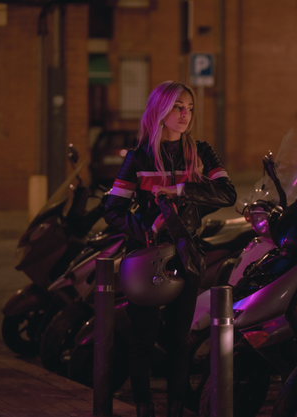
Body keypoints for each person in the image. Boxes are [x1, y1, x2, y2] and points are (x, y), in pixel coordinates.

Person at [104, 81, 237, 417]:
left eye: (189, 108)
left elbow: (227, 194)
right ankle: (144, 409)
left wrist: (181, 190)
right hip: (147, 258)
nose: (185, 114)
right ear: (159, 111)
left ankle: (176, 408)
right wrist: (147, 231)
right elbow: (113, 210)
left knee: (179, 341)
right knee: (142, 340)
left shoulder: (201, 153)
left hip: (185, 256)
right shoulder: (138, 157)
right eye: (178, 107)